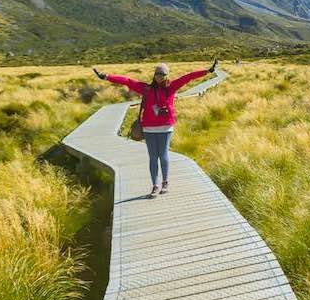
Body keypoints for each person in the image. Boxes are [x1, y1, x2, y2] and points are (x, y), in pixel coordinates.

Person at [92, 60, 218, 198]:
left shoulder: (171, 87)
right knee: (153, 157)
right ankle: (155, 185)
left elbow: (188, 77)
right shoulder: (146, 88)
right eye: (157, 73)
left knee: (163, 155)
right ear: (154, 75)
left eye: (162, 74)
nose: (159, 76)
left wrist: (207, 71)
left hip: (166, 128)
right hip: (149, 128)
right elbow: (127, 81)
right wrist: (107, 76)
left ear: (166, 75)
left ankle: (165, 182)